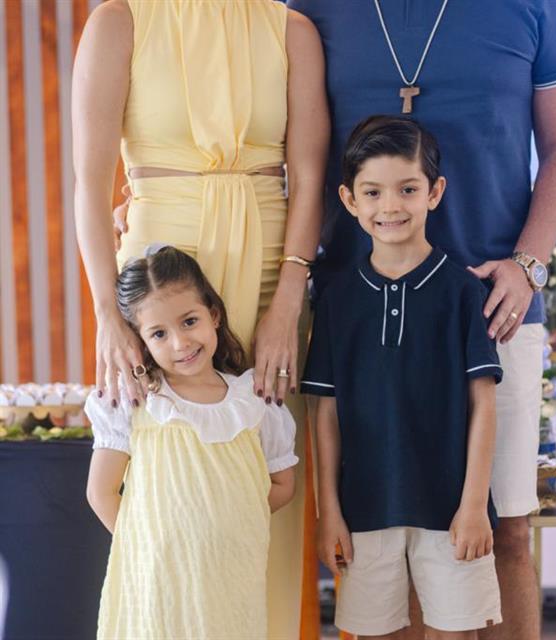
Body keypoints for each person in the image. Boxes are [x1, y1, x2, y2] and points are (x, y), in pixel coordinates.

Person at [287, 2, 556, 637]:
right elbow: (277, 142)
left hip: (495, 303)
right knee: (387, 530)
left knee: (505, 528)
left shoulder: (537, 7)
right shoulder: (309, 10)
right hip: (361, 310)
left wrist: (528, 264)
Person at [72, 2, 328, 635]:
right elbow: (90, 182)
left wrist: (288, 297)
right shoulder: (119, 21)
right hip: (158, 272)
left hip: (270, 264)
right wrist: (107, 313)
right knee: (154, 452)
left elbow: (310, 174)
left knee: (262, 457)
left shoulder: (290, 29)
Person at [302, 116, 502, 639]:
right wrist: (329, 513)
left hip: (452, 510)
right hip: (364, 510)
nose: (390, 206)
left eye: (407, 189)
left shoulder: (463, 293)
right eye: (373, 192)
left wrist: (474, 504)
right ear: (349, 200)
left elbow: (483, 404)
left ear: (434, 192)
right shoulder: (336, 300)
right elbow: (325, 415)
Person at [85, 246, 298, 639]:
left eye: (189, 321)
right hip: (159, 583)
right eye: (159, 334)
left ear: (213, 315)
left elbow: (283, 483)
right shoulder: (139, 402)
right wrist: (150, 546)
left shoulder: (252, 402)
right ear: (140, 341)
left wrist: (227, 520)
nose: (180, 343)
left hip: (230, 580)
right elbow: (101, 492)